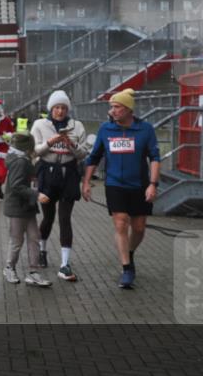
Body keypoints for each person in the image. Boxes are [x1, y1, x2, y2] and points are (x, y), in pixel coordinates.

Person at [82, 89, 160, 289]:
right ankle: (126, 268)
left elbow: (155, 157)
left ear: (128, 109)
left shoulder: (146, 129)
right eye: (112, 107)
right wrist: (86, 182)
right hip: (114, 184)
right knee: (121, 223)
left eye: (117, 107)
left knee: (139, 227)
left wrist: (153, 184)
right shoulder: (105, 129)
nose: (113, 111)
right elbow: (94, 157)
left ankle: (130, 252)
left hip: (140, 185)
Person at [30, 90, 90, 280]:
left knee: (65, 218)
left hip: (69, 174)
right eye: (57, 107)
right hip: (47, 173)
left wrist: (71, 144)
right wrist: (50, 142)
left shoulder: (77, 126)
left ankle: (65, 263)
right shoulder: (40, 124)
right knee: (48, 217)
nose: (60, 111)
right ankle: (42, 250)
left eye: (64, 108)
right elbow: (34, 151)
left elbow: (83, 154)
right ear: (51, 108)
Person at [2, 132, 51, 287]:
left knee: (34, 237)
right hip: (18, 206)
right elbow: (17, 186)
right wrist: (36, 195)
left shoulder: (19, 159)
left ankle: (33, 272)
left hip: (26, 206)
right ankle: (9, 268)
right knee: (17, 239)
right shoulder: (21, 162)